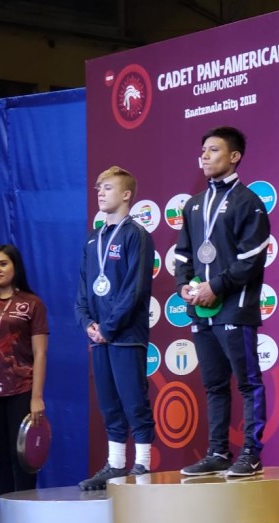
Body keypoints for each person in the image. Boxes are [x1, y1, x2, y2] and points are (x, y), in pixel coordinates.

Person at [176, 126, 270, 477]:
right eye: (202, 150)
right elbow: (184, 254)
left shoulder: (249, 202)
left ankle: (251, 452)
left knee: (248, 382)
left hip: (235, 307)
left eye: (213, 150)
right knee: (214, 385)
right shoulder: (193, 205)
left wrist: (216, 286)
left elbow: (252, 257)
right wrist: (184, 287)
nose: (204, 156)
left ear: (234, 156)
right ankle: (217, 451)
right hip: (201, 309)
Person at [75, 166, 156, 490]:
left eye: (107, 187)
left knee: (133, 400)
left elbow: (134, 290)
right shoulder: (93, 239)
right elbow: (83, 289)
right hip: (100, 337)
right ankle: (116, 464)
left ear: (126, 195)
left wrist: (108, 327)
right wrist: (87, 323)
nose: (100, 192)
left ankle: (143, 464)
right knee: (108, 403)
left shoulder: (136, 234)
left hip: (125, 337)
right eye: (97, 188)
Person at [0, 244, 48, 496]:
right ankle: (6, 518)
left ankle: (26, 515)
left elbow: (40, 353)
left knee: (23, 459)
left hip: (20, 390)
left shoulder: (32, 304)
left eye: (3, 264)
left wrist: (36, 397)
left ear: (15, 266)